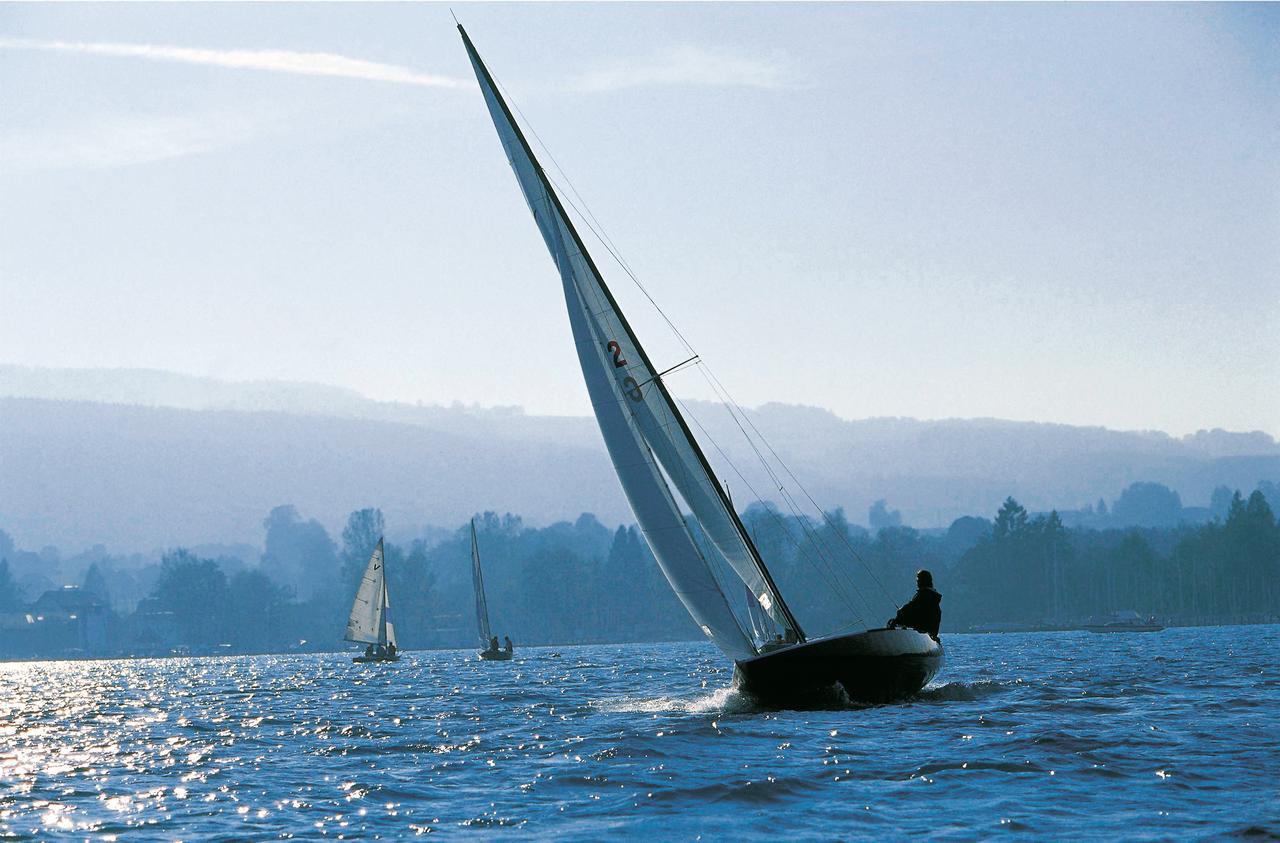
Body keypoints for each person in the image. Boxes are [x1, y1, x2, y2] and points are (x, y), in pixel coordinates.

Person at [887, 569, 942, 640]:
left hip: (923, 633)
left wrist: (898, 617)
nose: (917, 582)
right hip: (929, 633)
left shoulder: (925, 595)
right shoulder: (932, 596)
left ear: (923, 580)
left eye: (918, 579)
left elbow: (911, 609)